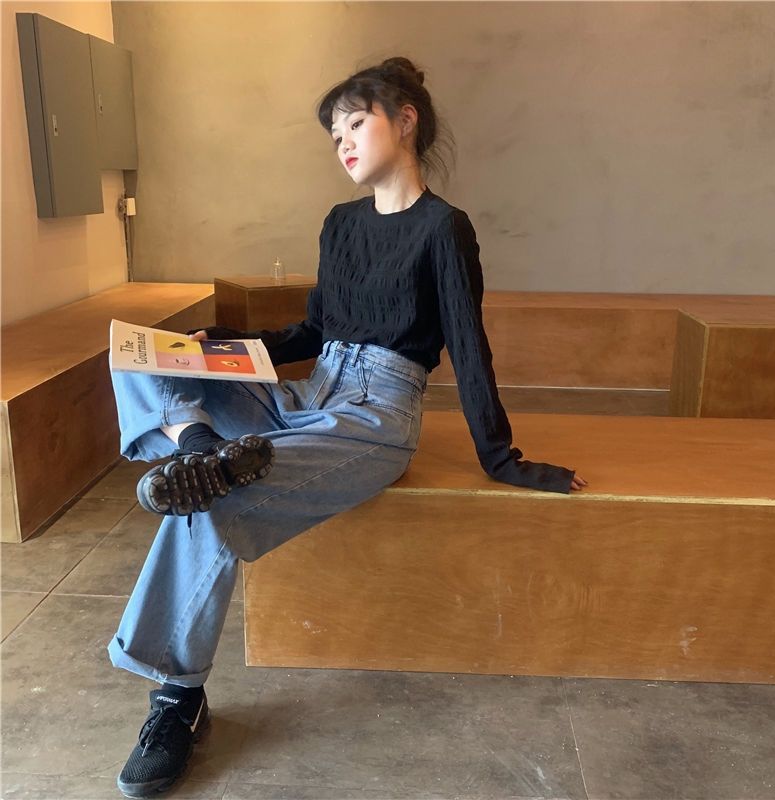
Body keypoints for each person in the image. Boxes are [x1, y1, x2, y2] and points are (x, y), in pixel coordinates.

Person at [111, 56, 588, 798]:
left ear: (407, 120)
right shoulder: (341, 224)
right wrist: (216, 350)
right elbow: (312, 332)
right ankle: (201, 450)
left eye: (355, 124)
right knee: (141, 355)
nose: (343, 144)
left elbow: (468, 345)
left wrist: (503, 457)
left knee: (214, 500)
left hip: (374, 413)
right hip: (309, 391)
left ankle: (177, 699)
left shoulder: (444, 229)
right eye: (334, 135)